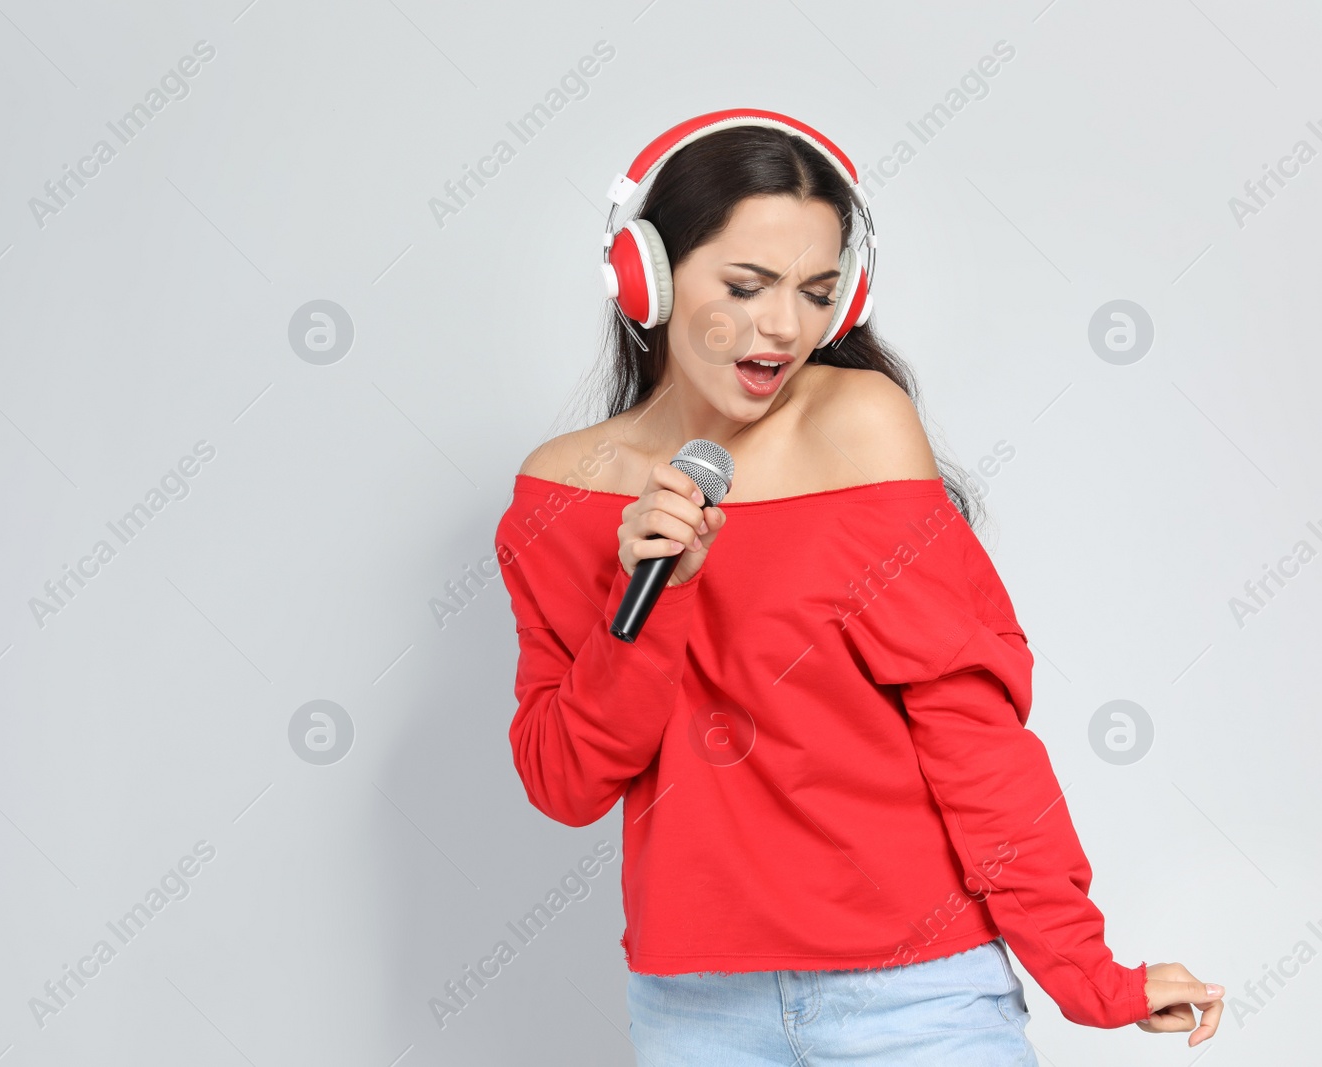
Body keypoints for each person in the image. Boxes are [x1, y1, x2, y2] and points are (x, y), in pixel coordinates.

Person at [493, 110, 1223, 1064]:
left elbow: (971, 730)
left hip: (916, 995)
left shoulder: (861, 426)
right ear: (650, 277)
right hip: (694, 1007)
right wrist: (649, 601)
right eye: (746, 286)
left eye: (815, 291)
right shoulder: (562, 494)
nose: (784, 326)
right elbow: (565, 779)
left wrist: (1085, 969)